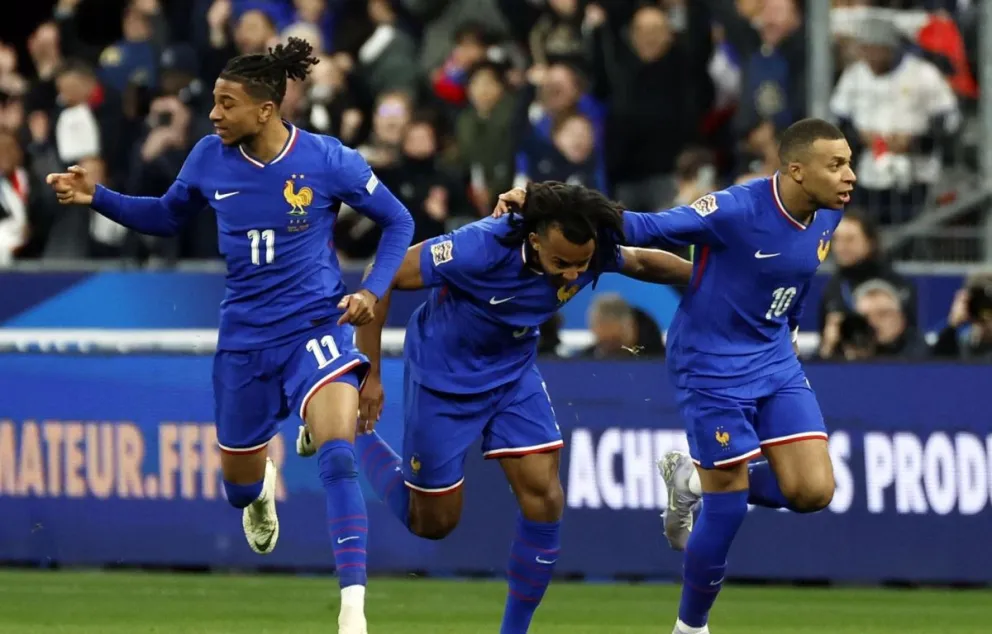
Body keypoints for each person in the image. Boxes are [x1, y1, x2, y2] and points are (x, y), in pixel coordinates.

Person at [45, 38, 414, 634]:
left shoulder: (327, 159)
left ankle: (353, 608)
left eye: (226, 103)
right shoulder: (208, 158)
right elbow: (168, 216)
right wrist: (96, 196)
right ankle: (260, 485)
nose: (214, 114)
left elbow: (398, 220)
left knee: (338, 455)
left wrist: (371, 289)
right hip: (244, 341)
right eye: (215, 102)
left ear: (265, 110)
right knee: (237, 490)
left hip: (314, 327)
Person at [495, 118, 857, 634]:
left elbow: (794, 279)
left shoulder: (828, 214)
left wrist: (791, 327)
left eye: (849, 163)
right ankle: (690, 628)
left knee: (814, 492)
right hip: (709, 363)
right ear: (797, 170)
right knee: (727, 508)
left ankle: (690, 478)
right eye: (836, 164)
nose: (850, 175)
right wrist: (540, 199)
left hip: (774, 359)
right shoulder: (735, 210)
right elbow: (642, 226)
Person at [298, 181, 692, 633]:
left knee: (546, 498)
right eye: (561, 263)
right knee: (432, 523)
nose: (571, 275)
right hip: (443, 379)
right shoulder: (480, 246)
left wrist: (702, 276)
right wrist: (370, 374)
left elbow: (640, 260)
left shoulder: (589, 245)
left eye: (580, 265)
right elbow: (381, 278)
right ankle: (350, 429)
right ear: (534, 240)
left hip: (512, 374)